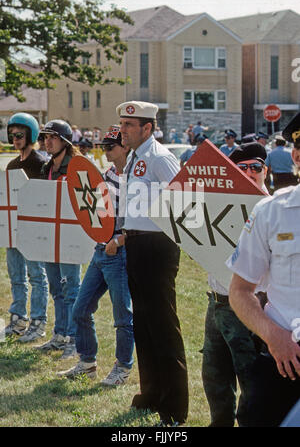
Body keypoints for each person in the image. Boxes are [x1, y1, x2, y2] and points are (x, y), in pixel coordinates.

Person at [117, 100, 189, 427]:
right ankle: (151, 393)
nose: (123, 130)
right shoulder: (134, 156)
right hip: (136, 242)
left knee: (163, 325)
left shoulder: (160, 157)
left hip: (158, 245)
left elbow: (184, 198)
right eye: (122, 124)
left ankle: (174, 406)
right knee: (143, 324)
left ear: (148, 127)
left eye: (130, 125)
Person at [226, 112, 300, 427]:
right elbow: (240, 291)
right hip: (287, 358)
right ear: (296, 154)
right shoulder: (271, 212)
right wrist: (274, 337)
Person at [57, 127, 134, 385]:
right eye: (104, 145)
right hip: (101, 251)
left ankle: (123, 368)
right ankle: (87, 362)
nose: (106, 150)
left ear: (125, 147)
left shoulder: (136, 178)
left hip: (120, 253)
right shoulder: (108, 174)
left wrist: (120, 239)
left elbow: (146, 220)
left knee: (123, 316)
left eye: (110, 146)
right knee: (80, 309)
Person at [202, 142, 269, 427]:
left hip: (250, 305)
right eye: (241, 168)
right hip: (216, 301)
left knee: (251, 379)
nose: (250, 172)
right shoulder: (221, 203)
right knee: (214, 376)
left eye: (256, 167)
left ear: (265, 170)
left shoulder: (272, 209)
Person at [34, 120, 82, 359]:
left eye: (53, 137)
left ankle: (75, 340)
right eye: (45, 137)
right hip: (51, 237)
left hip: (71, 237)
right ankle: (60, 334)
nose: (47, 142)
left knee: (72, 289)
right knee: (56, 288)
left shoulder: (78, 166)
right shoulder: (46, 168)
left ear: (65, 141)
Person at [4, 112, 49, 342]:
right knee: (16, 276)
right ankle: (18, 317)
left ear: (30, 134)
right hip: (13, 228)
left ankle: (38, 320)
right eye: (12, 136)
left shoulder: (41, 164)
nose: (16, 139)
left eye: (20, 135)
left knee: (36, 276)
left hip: (34, 229)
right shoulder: (11, 165)